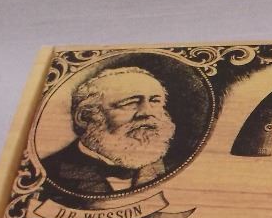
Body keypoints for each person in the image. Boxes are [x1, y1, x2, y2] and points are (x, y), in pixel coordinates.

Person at [41, 66, 177, 196]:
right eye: (130, 103)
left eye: (155, 101)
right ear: (85, 117)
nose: (147, 112)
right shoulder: (44, 174)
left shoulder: (174, 169)